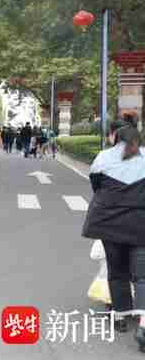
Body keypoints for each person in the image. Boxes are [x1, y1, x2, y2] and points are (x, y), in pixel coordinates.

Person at [82, 122, 145, 350]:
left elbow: (96, 186)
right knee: (142, 277)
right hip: (141, 225)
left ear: (115, 137)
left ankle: (120, 317)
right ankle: (144, 325)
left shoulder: (103, 157)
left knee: (117, 273)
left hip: (111, 224)